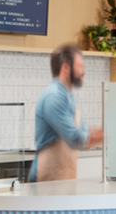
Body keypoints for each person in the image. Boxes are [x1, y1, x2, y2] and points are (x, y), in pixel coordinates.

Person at [32, 43, 102, 182]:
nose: (84, 71)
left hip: (61, 181)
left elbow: (84, 130)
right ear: (66, 67)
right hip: (46, 181)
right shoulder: (54, 97)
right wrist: (110, 136)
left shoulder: (68, 97)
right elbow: (76, 139)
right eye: (80, 66)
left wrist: (109, 128)